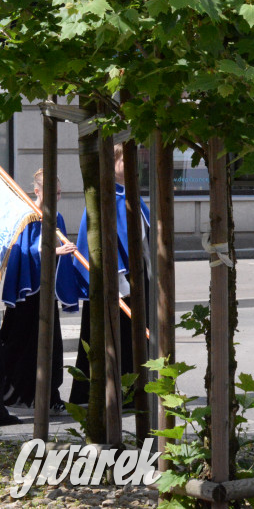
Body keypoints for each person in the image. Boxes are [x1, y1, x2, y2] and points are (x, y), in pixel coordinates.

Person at [69, 143, 150, 406]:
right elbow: (93, 244)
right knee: (109, 340)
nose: (132, 166)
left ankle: (133, 391)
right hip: (117, 285)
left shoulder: (133, 198)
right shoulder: (104, 199)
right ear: (113, 164)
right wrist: (117, 281)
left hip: (139, 282)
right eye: (126, 160)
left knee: (132, 341)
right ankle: (101, 395)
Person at [0, 169, 79, 412]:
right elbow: (29, 250)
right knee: (16, 342)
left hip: (47, 290)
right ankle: (10, 391)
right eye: (52, 193)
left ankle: (48, 395)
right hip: (28, 292)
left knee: (48, 345)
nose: (57, 197)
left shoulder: (57, 218)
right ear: (37, 191)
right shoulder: (27, 216)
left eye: (59, 193)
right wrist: (56, 251)